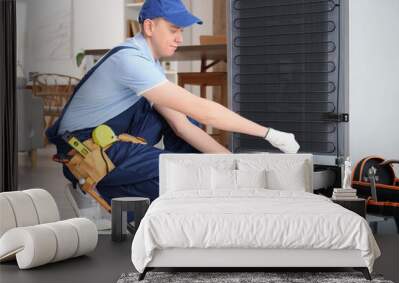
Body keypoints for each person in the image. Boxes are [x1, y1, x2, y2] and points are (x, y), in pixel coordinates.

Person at [46, 0, 300, 206]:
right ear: (149, 27)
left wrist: (233, 165)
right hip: (87, 155)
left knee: (176, 113)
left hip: (110, 141)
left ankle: (208, 178)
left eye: (181, 30)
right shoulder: (130, 60)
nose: (179, 38)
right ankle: (185, 183)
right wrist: (268, 133)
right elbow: (205, 112)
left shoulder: (148, 64)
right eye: (173, 29)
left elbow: (182, 125)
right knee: (181, 185)